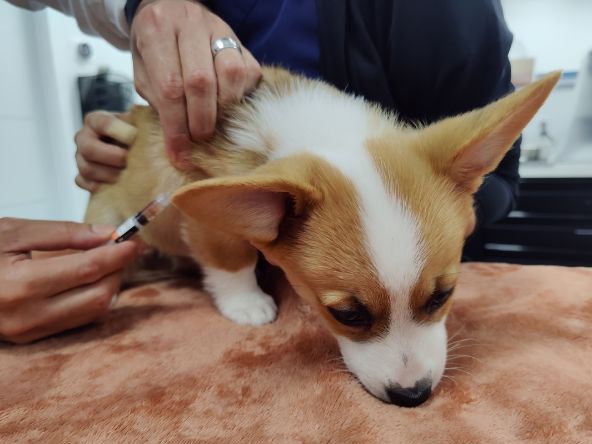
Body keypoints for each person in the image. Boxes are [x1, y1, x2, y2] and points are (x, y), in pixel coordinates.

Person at [1, 0, 518, 343]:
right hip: (162, 247)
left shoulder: (442, 19)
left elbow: (499, 182)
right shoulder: (254, 168)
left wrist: (458, 198)